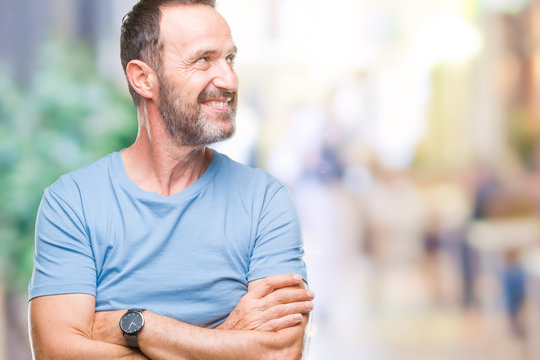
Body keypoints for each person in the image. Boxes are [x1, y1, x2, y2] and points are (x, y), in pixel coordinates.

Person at [27, 1, 313, 359]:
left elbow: (279, 353)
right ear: (143, 78)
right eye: (203, 60)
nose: (229, 79)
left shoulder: (265, 202)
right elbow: (58, 353)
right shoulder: (72, 202)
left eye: (230, 58)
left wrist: (137, 325)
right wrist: (227, 338)